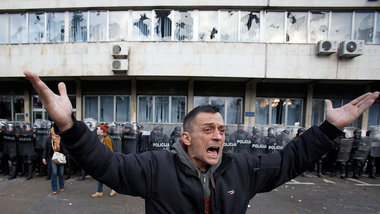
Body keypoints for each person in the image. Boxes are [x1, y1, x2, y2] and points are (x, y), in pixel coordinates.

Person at [24, 71, 379, 213]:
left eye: (221, 130)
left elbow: (290, 160)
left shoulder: (243, 168)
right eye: (208, 129)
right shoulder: (155, 167)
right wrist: (69, 125)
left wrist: (328, 130)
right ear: (185, 137)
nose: (218, 136)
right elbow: (107, 165)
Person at [91, 125, 116, 198]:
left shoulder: (107, 138)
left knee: (109, 176)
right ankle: (99, 191)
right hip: (99, 160)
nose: (97, 130)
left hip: (106, 160)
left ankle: (113, 188)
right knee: (100, 176)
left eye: (98, 129)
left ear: (102, 130)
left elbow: (110, 150)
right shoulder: (98, 138)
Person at [43, 127, 67, 194]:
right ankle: (54, 188)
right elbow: (45, 149)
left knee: (61, 173)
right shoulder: (49, 139)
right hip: (52, 157)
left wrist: (65, 154)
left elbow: (65, 148)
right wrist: (44, 157)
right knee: (54, 172)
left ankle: (61, 186)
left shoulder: (61, 138)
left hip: (61, 157)